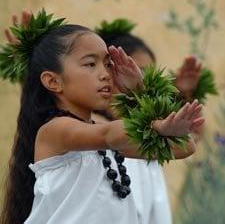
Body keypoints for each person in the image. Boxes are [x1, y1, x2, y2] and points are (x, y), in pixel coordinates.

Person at [0, 13, 204, 224]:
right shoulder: (56, 131)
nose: (105, 74)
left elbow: (185, 146)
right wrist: (157, 124)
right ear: (53, 81)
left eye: (108, 64)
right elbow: (109, 134)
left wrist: (140, 92)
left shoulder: (105, 142)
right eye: (90, 64)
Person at [94, 18, 203, 224]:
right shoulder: (88, 128)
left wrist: (182, 96)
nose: (139, 83)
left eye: (147, 78)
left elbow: (190, 141)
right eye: (135, 72)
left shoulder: (143, 138)